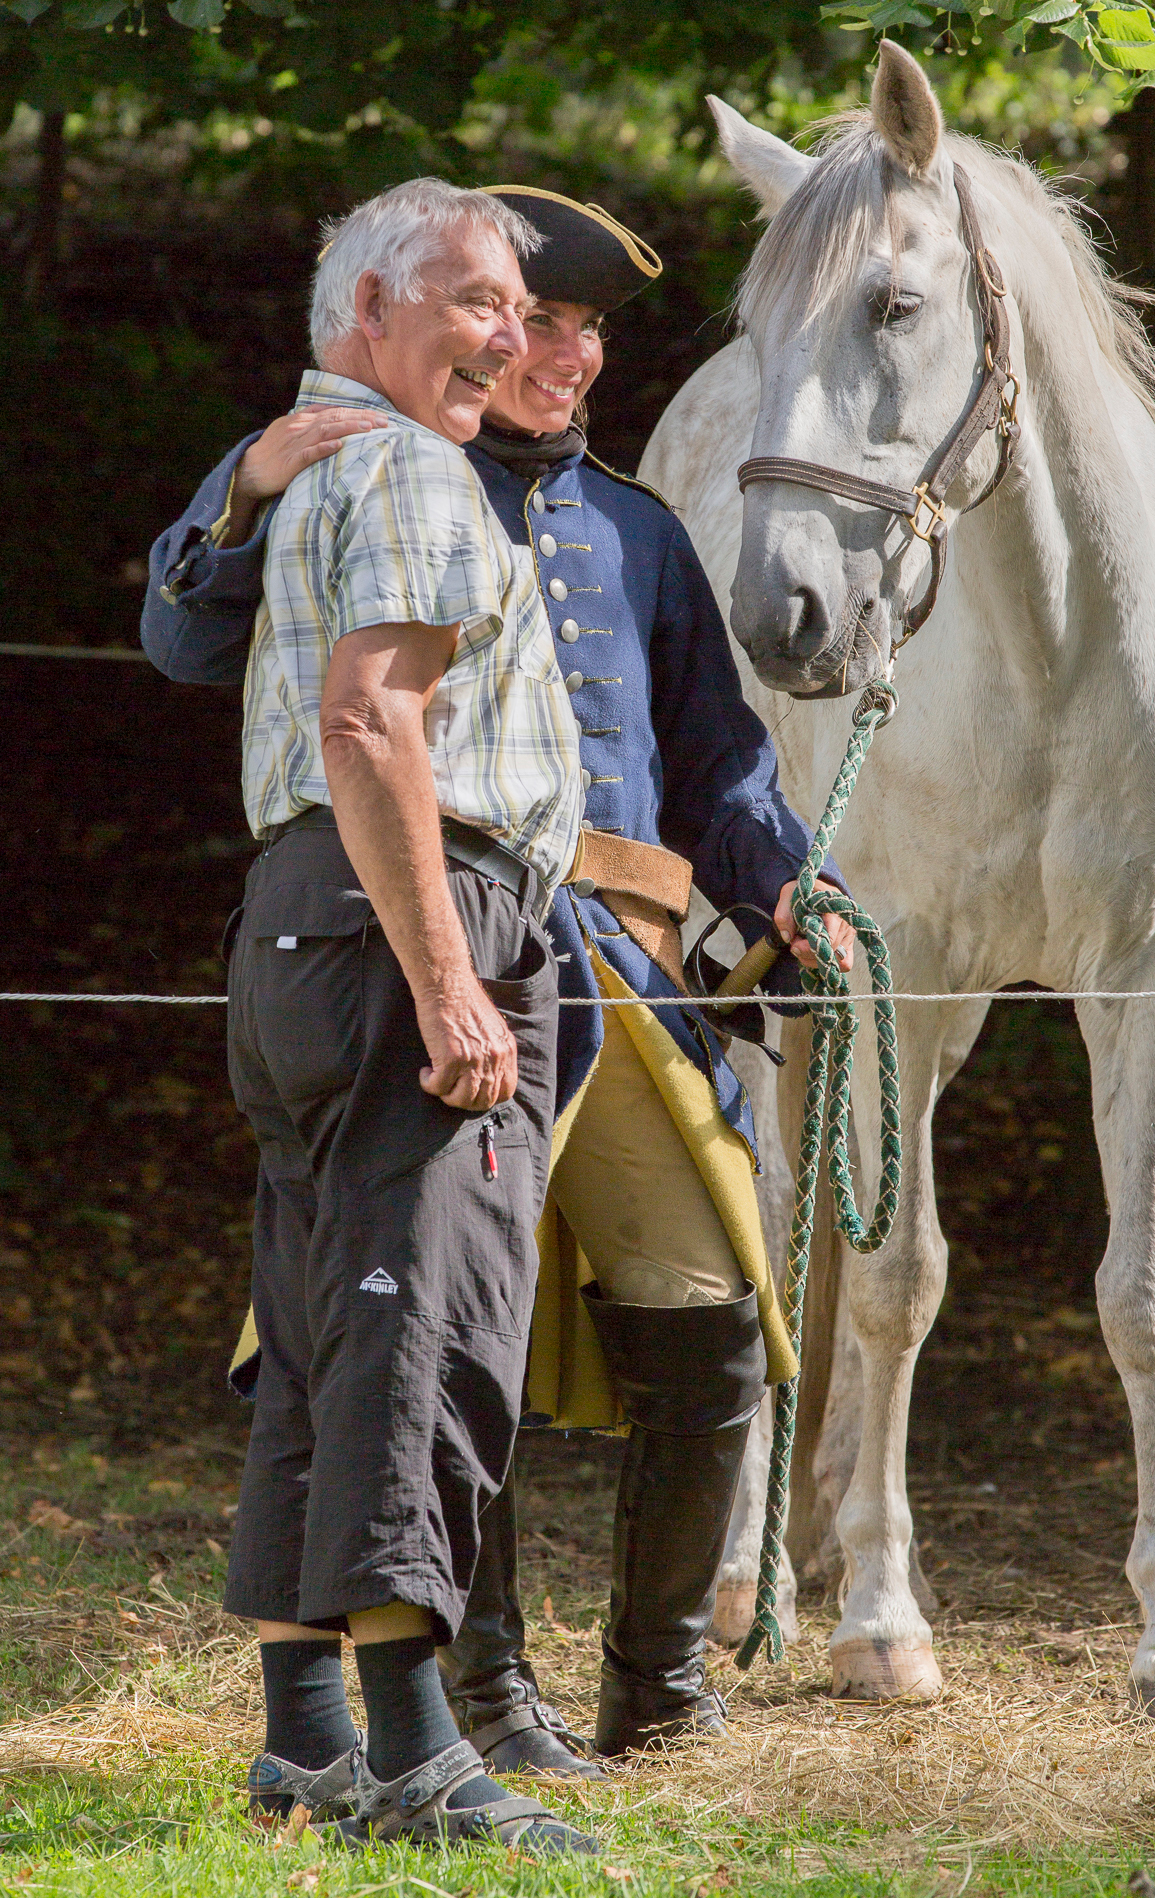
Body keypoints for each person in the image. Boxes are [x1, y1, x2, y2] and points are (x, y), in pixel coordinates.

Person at [143, 187, 854, 1784]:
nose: (559, 352)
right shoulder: (357, 460)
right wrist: (241, 488)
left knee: (712, 1313)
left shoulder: (639, 532)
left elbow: (721, 760)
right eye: (531, 318)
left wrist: (789, 884)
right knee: (437, 1323)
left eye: (583, 327)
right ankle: (479, 1701)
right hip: (435, 937)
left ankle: (659, 1687)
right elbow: (191, 646)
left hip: (618, 972)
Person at [200, 176, 597, 1856]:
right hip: (408, 916)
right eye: (476, 299)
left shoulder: (321, 468)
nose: (511, 334)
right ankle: (420, 1759)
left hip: (305, 920)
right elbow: (370, 727)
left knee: (319, 1321)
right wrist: (453, 985)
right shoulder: (418, 475)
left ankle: (306, 1742)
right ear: (370, 309)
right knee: (420, 1322)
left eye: (518, 305)